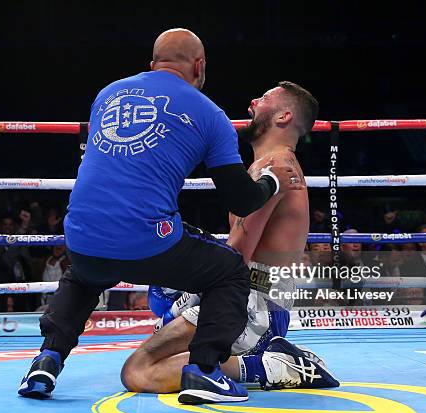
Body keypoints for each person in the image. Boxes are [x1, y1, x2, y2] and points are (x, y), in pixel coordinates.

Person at [18, 28, 304, 404]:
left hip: (81, 234)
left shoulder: (107, 94)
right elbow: (241, 196)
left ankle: (47, 359)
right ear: (199, 66)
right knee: (229, 269)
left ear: (152, 63)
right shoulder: (209, 113)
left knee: (85, 274)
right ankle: (204, 371)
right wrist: (269, 183)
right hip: (148, 240)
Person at [120, 82, 339, 394]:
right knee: (145, 361)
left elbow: (236, 253)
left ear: (284, 116)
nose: (252, 101)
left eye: (264, 98)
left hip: (251, 305)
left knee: (139, 371)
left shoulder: (276, 167)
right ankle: (261, 358)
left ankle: (278, 366)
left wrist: (185, 281)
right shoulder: (267, 166)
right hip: (245, 297)